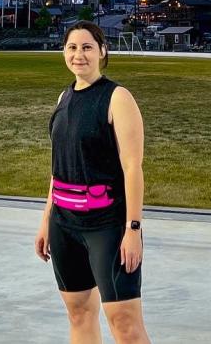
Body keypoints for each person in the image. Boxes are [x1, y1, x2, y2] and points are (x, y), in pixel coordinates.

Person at [35, 21, 151, 344]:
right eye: (72, 47)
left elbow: (132, 168)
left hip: (107, 226)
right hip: (64, 225)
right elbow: (58, 169)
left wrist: (134, 229)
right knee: (79, 314)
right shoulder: (64, 97)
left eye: (87, 47)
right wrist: (46, 220)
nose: (79, 55)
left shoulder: (117, 98)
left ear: (102, 51)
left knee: (125, 323)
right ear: (64, 53)